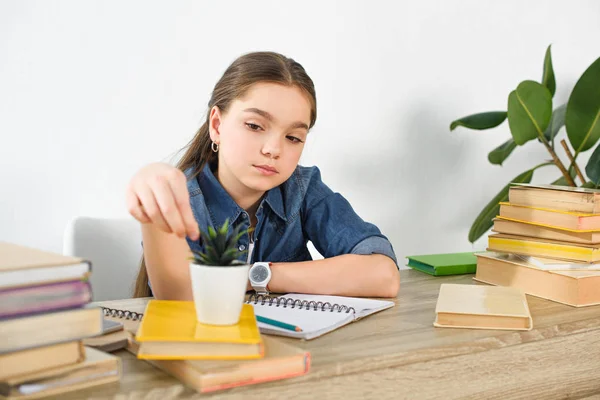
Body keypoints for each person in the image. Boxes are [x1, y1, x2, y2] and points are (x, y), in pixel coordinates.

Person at [127, 51, 399, 300]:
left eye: (293, 137)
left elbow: (383, 275)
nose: (273, 149)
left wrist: (256, 276)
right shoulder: (181, 196)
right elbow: (179, 297)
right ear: (217, 125)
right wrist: (151, 196)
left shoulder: (303, 190)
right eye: (255, 126)